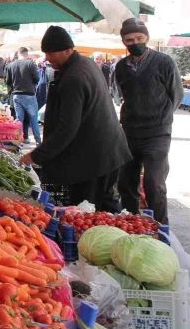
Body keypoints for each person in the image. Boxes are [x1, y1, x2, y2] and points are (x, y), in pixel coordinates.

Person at [20, 26, 131, 211]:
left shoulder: (74, 77)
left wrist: (35, 156)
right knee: (104, 206)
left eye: (51, 53)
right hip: (105, 151)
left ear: (67, 50)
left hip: (94, 158)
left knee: (88, 209)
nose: (48, 58)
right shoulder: (85, 63)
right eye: (46, 53)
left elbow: (66, 129)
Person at [113, 18, 182, 225]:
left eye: (139, 38)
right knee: (126, 183)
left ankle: (160, 227)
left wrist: (162, 118)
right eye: (129, 40)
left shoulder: (164, 62)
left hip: (157, 133)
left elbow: (176, 94)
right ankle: (131, 223)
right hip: (129, 132)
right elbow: (118, 95)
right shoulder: (121, 67)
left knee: (154, 184)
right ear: (124, 42)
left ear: (147, 38)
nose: (135, 42)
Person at [5, 47, 42, 144]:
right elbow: (37, 78)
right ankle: (38, 142)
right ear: (27, 53)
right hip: (29, 95)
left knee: (19, 120)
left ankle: (18, 141)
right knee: (33, 120)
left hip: (16, 95)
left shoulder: (11, 65)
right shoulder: (30, 64)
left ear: (18, 54)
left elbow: (8, 82)